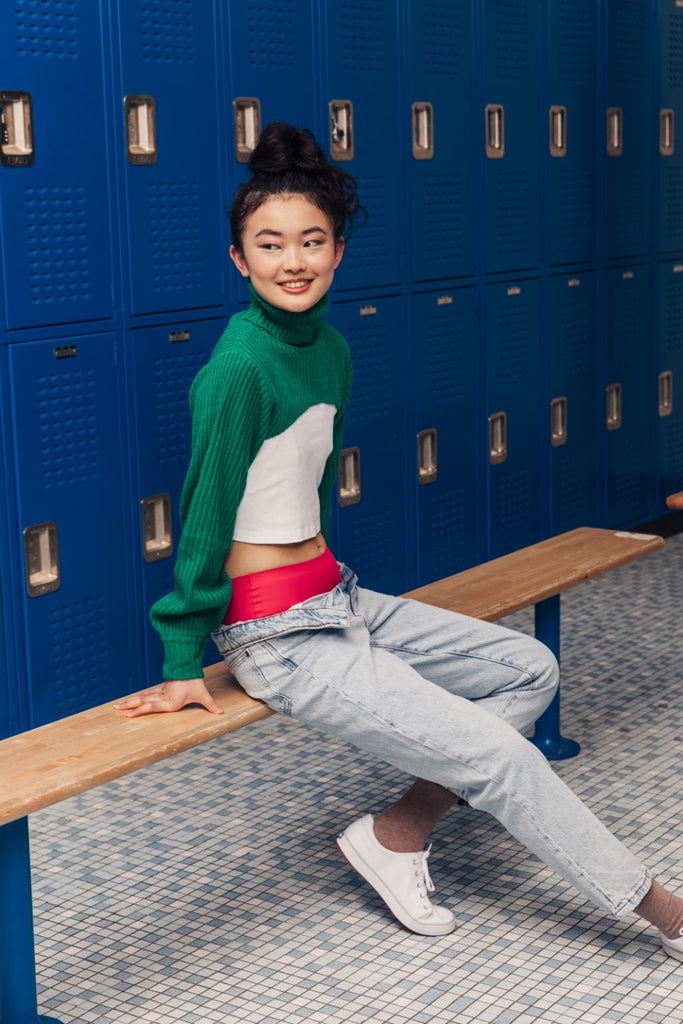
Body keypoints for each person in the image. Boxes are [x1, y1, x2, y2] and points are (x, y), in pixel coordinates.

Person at [116, 122, 683, 959]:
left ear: (339, 250)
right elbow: (204, 518)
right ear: (239, 260)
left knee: (530, 669)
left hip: (334, 595)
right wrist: (177, 660)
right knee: (499, 754)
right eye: (268, 245)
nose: (293, 260)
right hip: (277, 636)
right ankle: (665, 915)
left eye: (311, 241)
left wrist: (343, 600)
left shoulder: (330, 351)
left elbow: (304, 486)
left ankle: (395, 833)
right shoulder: (237, 369)